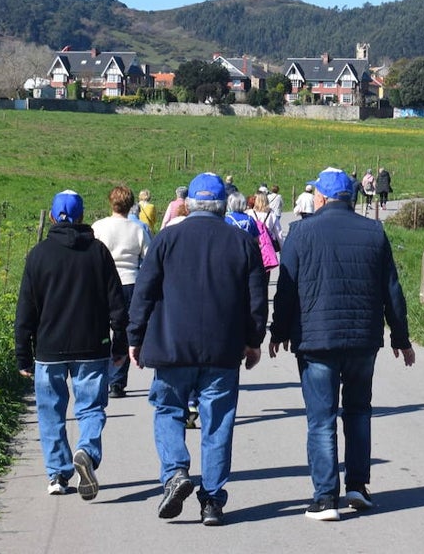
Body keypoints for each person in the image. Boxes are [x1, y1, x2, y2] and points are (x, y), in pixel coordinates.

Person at [269, 167, 415, 521]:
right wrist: (400, 337)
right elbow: (391, 290)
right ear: (351, 197)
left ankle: (324, 498)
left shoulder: (300, 232)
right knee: (359, 412)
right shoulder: (374, 231)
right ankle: (358, 486)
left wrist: (279, 332)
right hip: (362, 339)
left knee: (321, 419)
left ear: (320, 197)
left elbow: (286, 290)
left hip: (316, 340)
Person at [127, 172, 268, 527]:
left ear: (188, 203)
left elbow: (144, 292)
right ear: (223, 205)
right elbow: (256, 301)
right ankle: (212, 502)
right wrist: (254, 342)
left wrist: (135, 337)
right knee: (218, 422)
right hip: (223, 349)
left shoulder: (167, 238)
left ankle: (175, 471)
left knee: (168, 409)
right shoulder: (242, 242)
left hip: (171, 346)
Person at [15, 190, 128, 499]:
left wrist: (23, 354)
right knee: (91, 407)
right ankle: (86, 452)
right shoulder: (98, 252)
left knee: (50, 411)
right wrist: (120, 344)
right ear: (81, 217)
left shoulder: (38, 255)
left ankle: (57, 474)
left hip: (49, 348)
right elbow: (117, 304)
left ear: (52, 217)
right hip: (92, 345)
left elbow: (26, 309)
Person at [92, 185, 151, 398]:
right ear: (131, 204)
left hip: (102, 282)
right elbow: (149, 258)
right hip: (129, 282)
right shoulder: (138, 229)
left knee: (100, 330)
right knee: (123, 332)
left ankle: (97, 375)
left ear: (111, 202)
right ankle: (117, 380)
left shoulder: (98, 227)